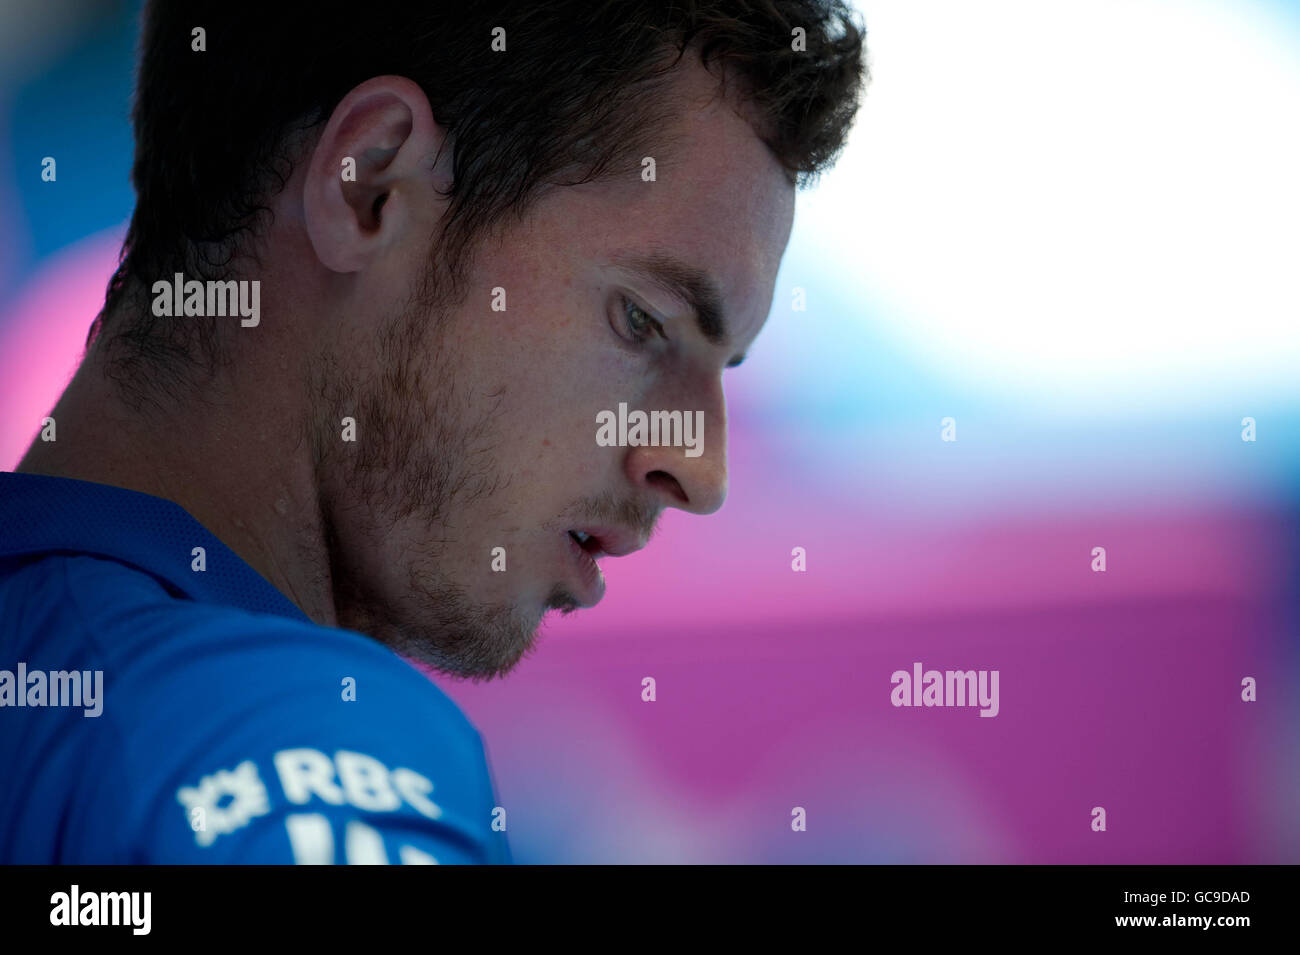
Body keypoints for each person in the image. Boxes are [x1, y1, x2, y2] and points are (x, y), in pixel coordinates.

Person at [0, 1, 866, 863]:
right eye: (643, 321)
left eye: (726, 368)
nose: (702, 469)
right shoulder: (298, 741)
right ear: (370, 184)